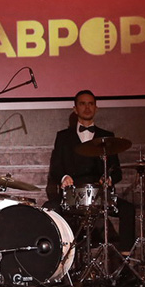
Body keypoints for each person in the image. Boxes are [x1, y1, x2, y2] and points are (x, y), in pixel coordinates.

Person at [46, 90, 135, 254]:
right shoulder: (63, 137)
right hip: (73, 195)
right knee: (49, 209)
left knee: (128, 209)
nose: (87, 108)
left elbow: (117, 171)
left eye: (91, 104)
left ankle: (125, 259)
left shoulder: (107, 137)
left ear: (96, 108)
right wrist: (64, 177)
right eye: (82, 104)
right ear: (75, 109)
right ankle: (56, 258)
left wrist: (109, 178)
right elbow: (56, 169)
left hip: (100, 195)